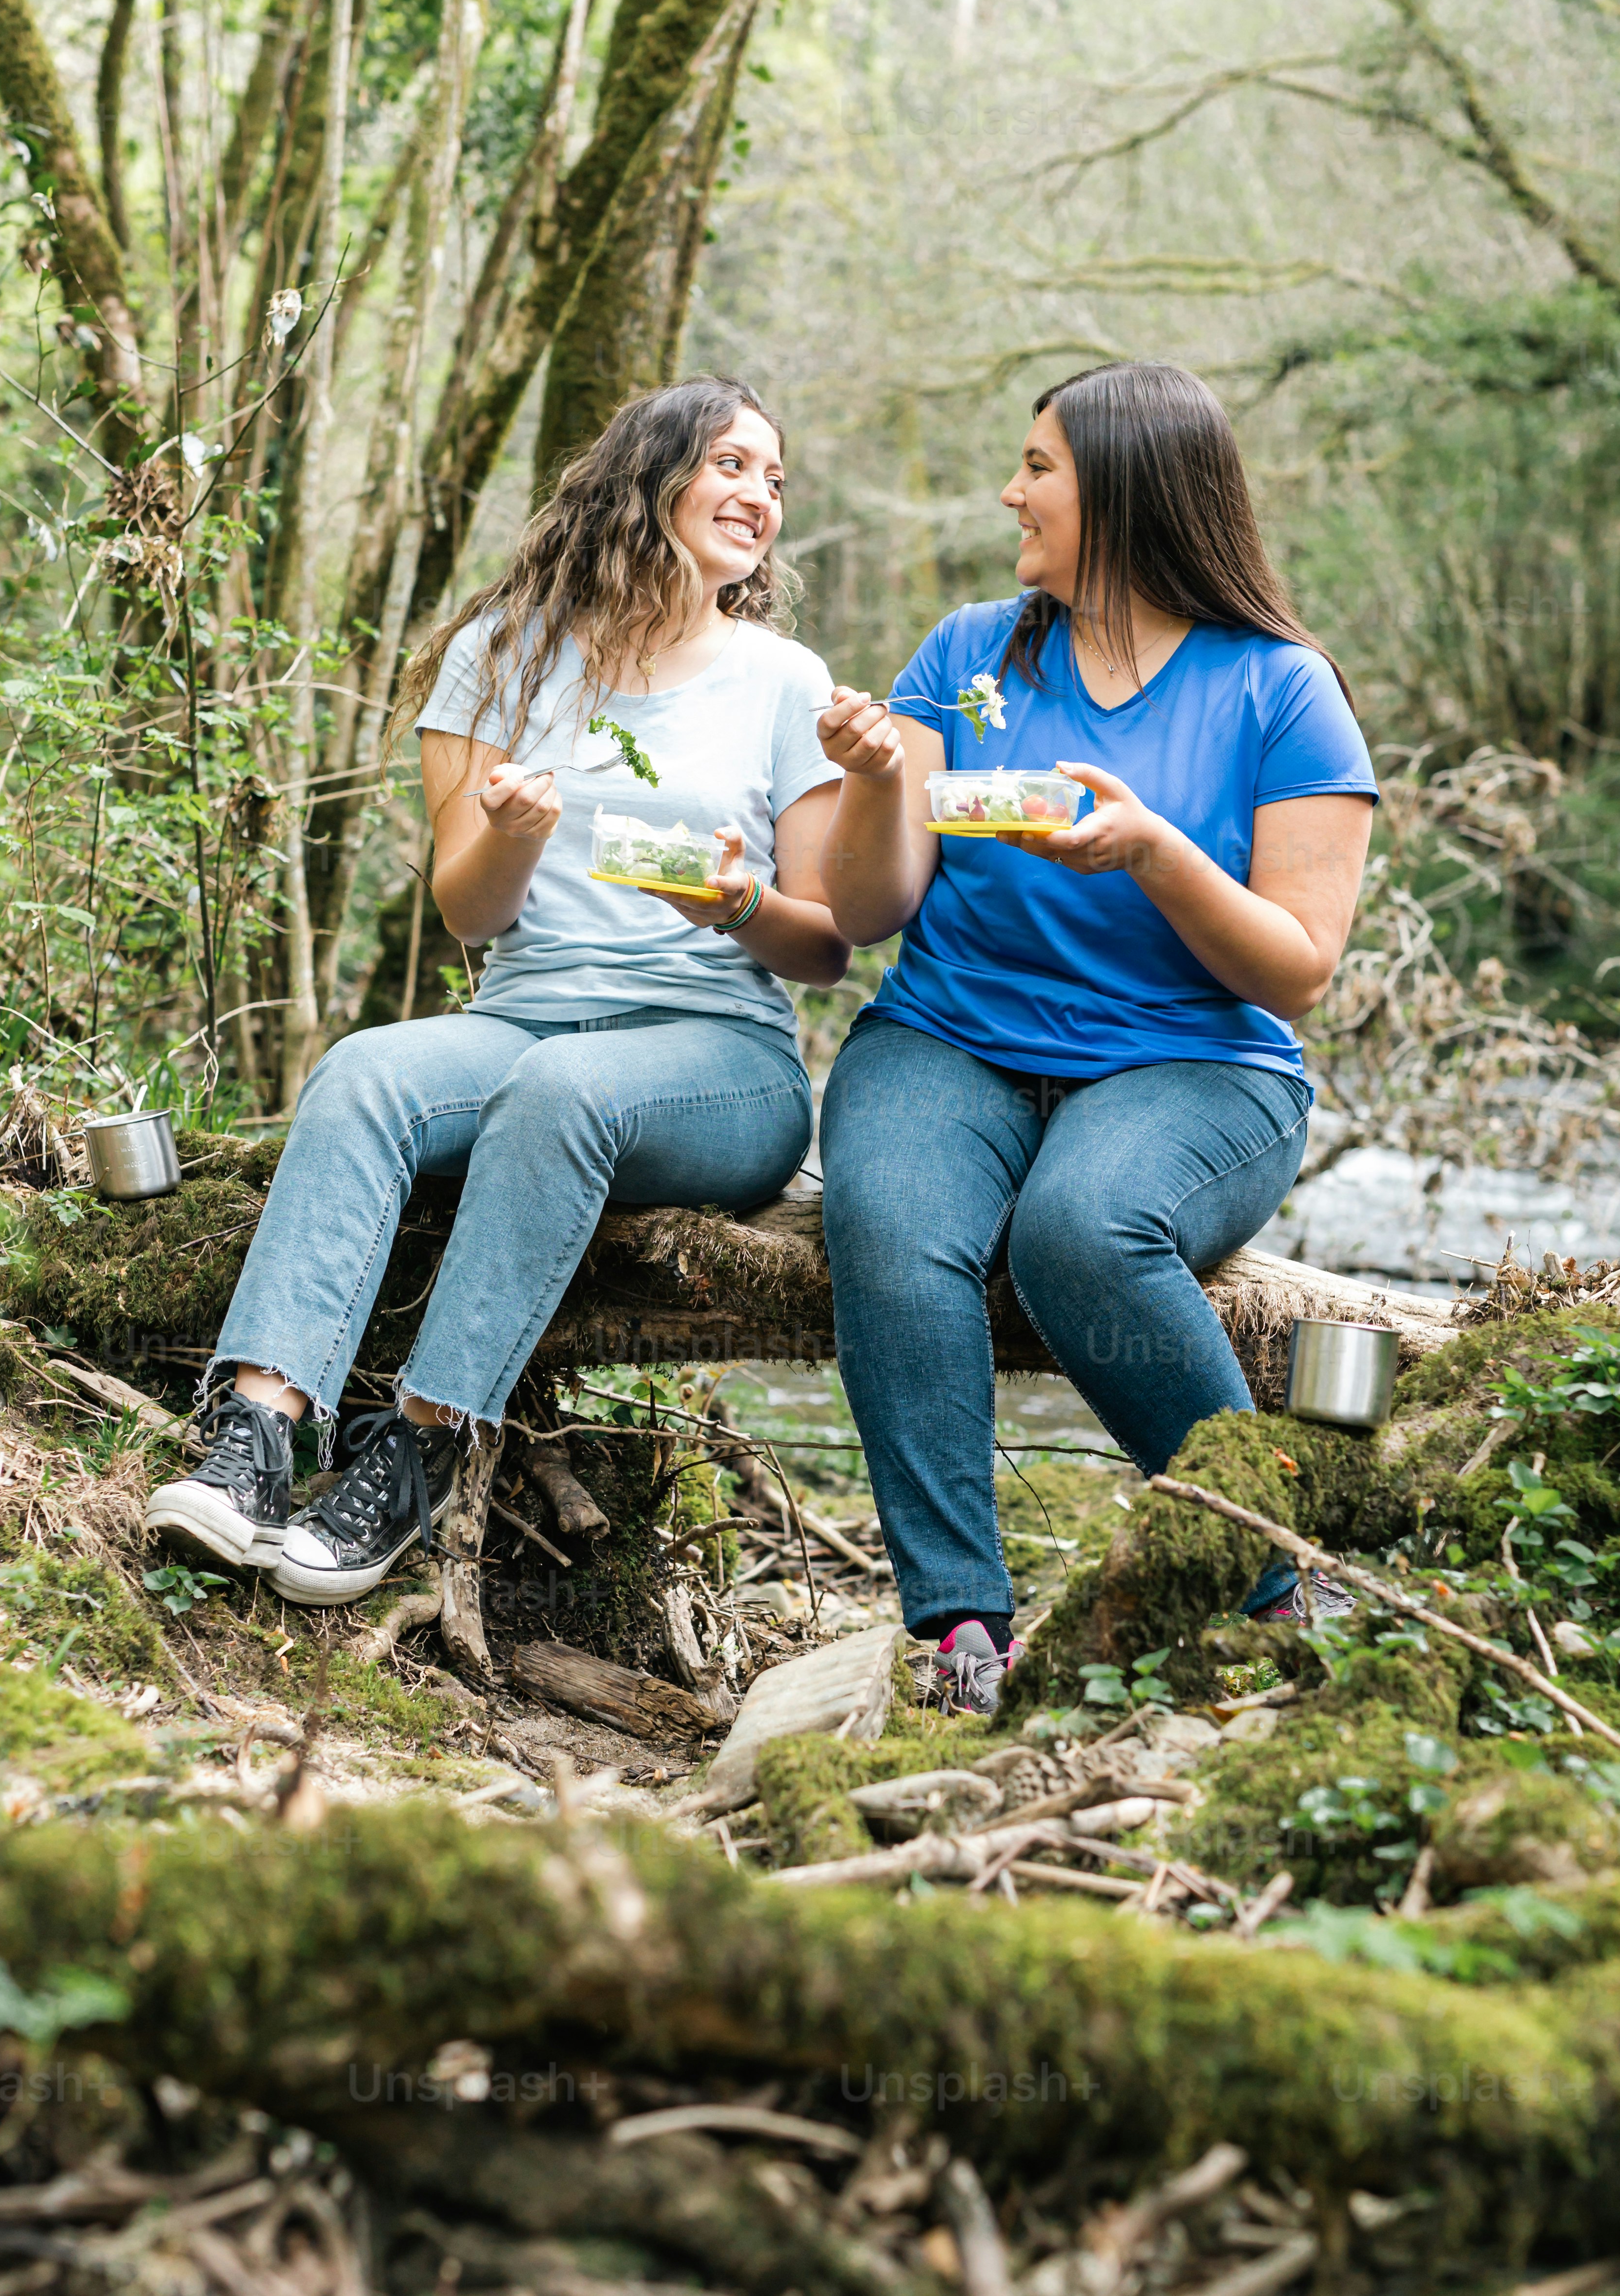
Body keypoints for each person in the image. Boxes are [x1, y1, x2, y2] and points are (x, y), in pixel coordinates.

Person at [147, 378, 847, 1603]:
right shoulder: (500, 658)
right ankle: (257, 1435)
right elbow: (469, 913)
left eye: (776, 480)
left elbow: (825, 944)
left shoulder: (787, 683)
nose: (760, 497)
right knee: (367, 1070)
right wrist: (515, 833)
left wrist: (732, 904)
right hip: (521, 1018)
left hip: (719, 1059)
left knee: (563, 1090)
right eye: (733, 465)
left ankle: (418, 1447)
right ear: (651, 476)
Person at [813, 359, 1376, 1707]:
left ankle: (1272, 1579)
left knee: (1079, 1230)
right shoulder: (966, 656)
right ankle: (958, 1631)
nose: (1011, 491)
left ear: (1124, 493)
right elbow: (868, 907)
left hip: (1192, 1060)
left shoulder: (1282, 691)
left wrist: (1158, 855)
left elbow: (1297, 972)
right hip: (953, 1034)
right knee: (889, 1219)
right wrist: (885, 780)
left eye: (1040, 469)